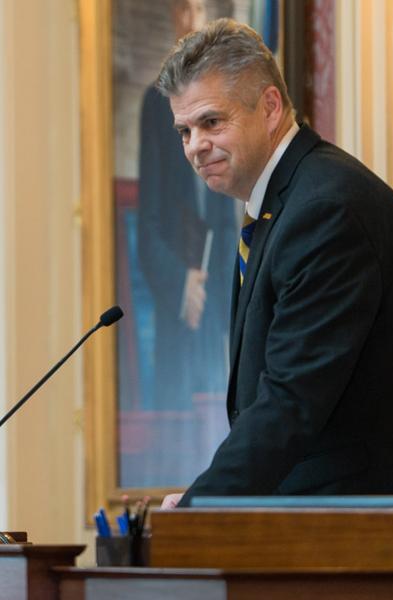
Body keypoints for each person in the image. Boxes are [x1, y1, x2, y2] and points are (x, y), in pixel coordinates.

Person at [155, 18, 393, 539]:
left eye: (211, 122)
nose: (195, 145)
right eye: (184, 130)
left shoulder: (325, 208)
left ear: (269, 107)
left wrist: (200, 508)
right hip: (333, 526)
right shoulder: (285, 207)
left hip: (382, 532)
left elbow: (291, 398)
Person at [137, 0, 236, 413]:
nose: (191, 17)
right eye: (184, 8)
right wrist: (184, 285)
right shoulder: (155, 103)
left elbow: (229, 217)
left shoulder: (228, 98)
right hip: (176, 294)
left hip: (219, 290)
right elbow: (150, 222)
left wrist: (213, 283)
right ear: (174, 15)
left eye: (199, 7)